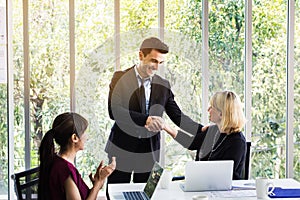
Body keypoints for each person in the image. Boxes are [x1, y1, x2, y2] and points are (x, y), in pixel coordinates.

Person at [105, 37, 201, 187]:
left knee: (147, 194)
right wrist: (146, 120)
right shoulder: (120, 78)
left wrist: (201, 130)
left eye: (160, 63)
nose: (157, 67)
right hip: (121, 147)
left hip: (149, 151)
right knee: (116, 191)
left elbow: (177, 116)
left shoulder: (163, 85)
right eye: (154, 61)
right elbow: (114, 111)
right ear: (141, 55)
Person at [163, 90, 246, 180]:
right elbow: (191, 143)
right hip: (202, 184)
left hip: (221, 191)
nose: (208, 110)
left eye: (212, 107)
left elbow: (225, 177)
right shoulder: (213, 131)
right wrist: (165, 127)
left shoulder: (237, 141)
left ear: (221, 114)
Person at [38, 112, 116, 200]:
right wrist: (98, 184)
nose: (87, 136)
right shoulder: (64, 169)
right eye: (84, 132)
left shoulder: (59, 161)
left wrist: (97, 183)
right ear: (74, 138)